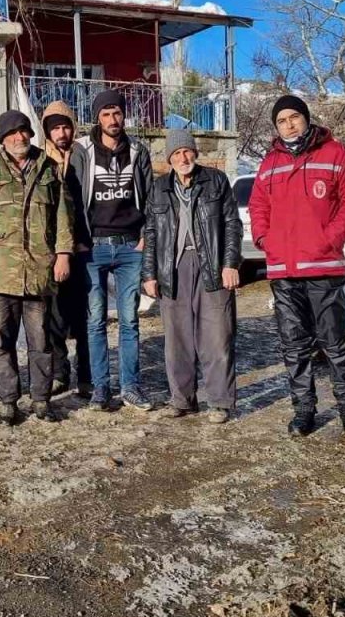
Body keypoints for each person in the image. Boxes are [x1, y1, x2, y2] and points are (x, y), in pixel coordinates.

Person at [249, 94, 345, 436]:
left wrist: (330, 237)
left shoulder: (335, 154)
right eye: (282, 121)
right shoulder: (270, 163)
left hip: (323, 266)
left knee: (334, 343)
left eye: (294, 117)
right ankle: (304, 411)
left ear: (306, 118)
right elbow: (258, 205)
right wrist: (263, 238)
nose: (289, 124)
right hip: (283, 270)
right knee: (294, 346)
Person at [0, 110, 75, 425]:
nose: (18, 138)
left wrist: (63, 254)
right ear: (2, 139)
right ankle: (8, 402)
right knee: (3, 340)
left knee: (41, 340)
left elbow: (64, 217)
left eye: (23, 132)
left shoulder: (49, 169)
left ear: (30, 134)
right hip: (0, 272)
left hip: (39, 270)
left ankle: (41, 400)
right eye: (11, 134)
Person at [141, 130, 242, 424]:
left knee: (217, 336)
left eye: (187, 151)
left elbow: (232, 224)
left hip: (211, 264)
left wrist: (230, 263)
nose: (183, 158)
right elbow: (150, 232)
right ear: (169, 159)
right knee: (177, 339)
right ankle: (183, 400)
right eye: (176, 154)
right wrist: (149, 274)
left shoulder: (215, 180)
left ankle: (220, 402)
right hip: (172, 267)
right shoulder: (159, 188)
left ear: (194, 153)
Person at [69, 90, 155, 412]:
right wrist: (77, 239)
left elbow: (149, 198)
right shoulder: (82, 149)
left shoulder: (138, 151)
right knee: (95, 322)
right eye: (106, 114)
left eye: (117, 113)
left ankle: (131, 387)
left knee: (130, 321)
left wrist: (146, 235)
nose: (112, 119)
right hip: (93, 248)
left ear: (124, 115)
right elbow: (73, 197)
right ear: (97, 117)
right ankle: (101, 389)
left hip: (130, 246)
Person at [40, 100, 92, 399]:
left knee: (85, 317)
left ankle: (86, 374)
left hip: (83, 248)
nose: (61, 133)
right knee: (54, 318)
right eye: (55, 128)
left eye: (65, 126)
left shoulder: (83, 156)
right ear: (47, 132)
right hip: (51, 251)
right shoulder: (40, 161)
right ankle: (60, 373)